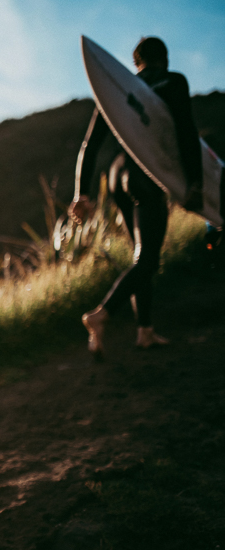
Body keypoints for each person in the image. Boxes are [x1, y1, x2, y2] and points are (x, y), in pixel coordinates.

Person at [69, 36, 202, 356]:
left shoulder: (115, 88)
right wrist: (195, 183)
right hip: (146, 174)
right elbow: (185, 131)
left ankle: (145, 331)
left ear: (135, 63)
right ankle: (101, 315)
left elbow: (90, 144)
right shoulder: (173, 80)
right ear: (165, 59)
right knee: (148, 260)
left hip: (118, 174)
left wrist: (82, 193)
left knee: (139, 257)